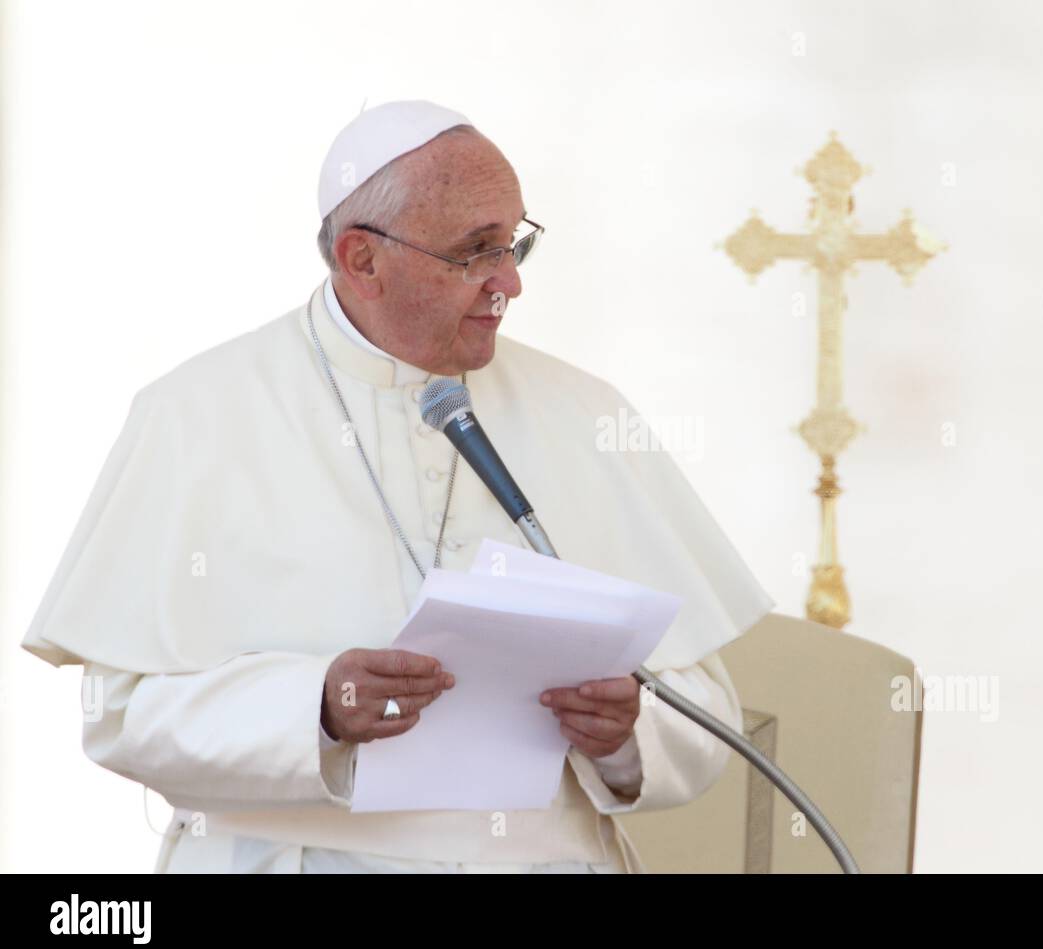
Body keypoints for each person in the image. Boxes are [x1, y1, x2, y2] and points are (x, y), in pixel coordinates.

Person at [21, 100, 773, 873]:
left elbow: (704, 708)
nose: (509, 282)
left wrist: (628, 730)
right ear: (362, 260)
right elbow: (119, 717)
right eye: (475, 252)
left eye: (514, 243)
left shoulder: (584, 412)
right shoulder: (197, 414)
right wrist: (315, 706)